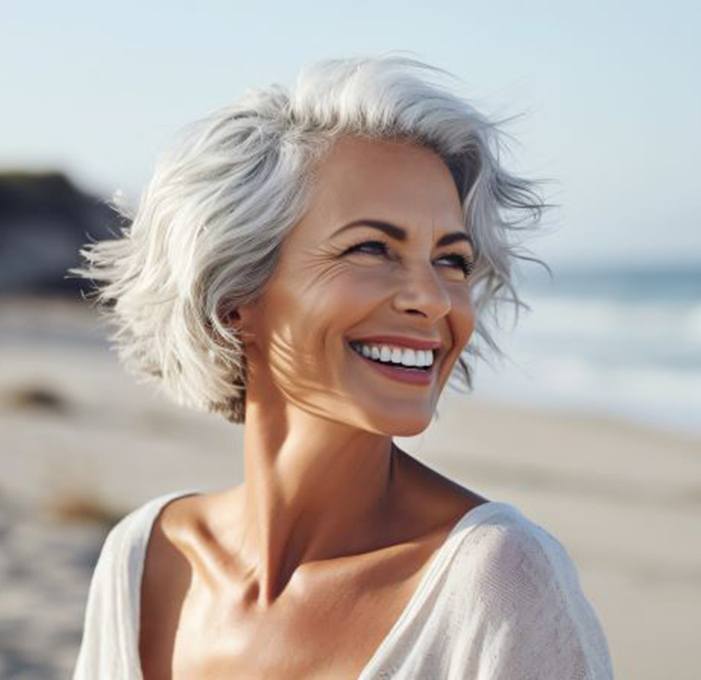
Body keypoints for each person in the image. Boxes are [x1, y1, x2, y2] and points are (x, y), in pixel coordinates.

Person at [70, 54, 614, 679]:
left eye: (452, 259)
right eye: (372, 248)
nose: (433, 298)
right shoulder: (143, 559)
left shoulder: (498, 582)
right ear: (235, 297)